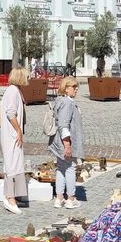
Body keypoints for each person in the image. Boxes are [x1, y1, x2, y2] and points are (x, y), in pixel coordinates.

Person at [49, 76, 84, 209]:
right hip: (66, 141)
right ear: (66, 88)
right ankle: (70, 198)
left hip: (60, 141)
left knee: (61, 168)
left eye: (76, 87)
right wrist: (67, 145)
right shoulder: (67, 103)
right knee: (70, 168)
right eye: (73, 87)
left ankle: (59, 198)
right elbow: (63, 125)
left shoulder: (60, 100)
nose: (76, 90)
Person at [0, 67, 29, 215]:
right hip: (11, 134)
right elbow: (10, 112)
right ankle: (10, 198)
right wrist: (18, 130)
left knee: (15, 163)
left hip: (13, 134)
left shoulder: (15, 90)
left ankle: (14, 195)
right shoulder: (12, 91)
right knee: (12, 165)